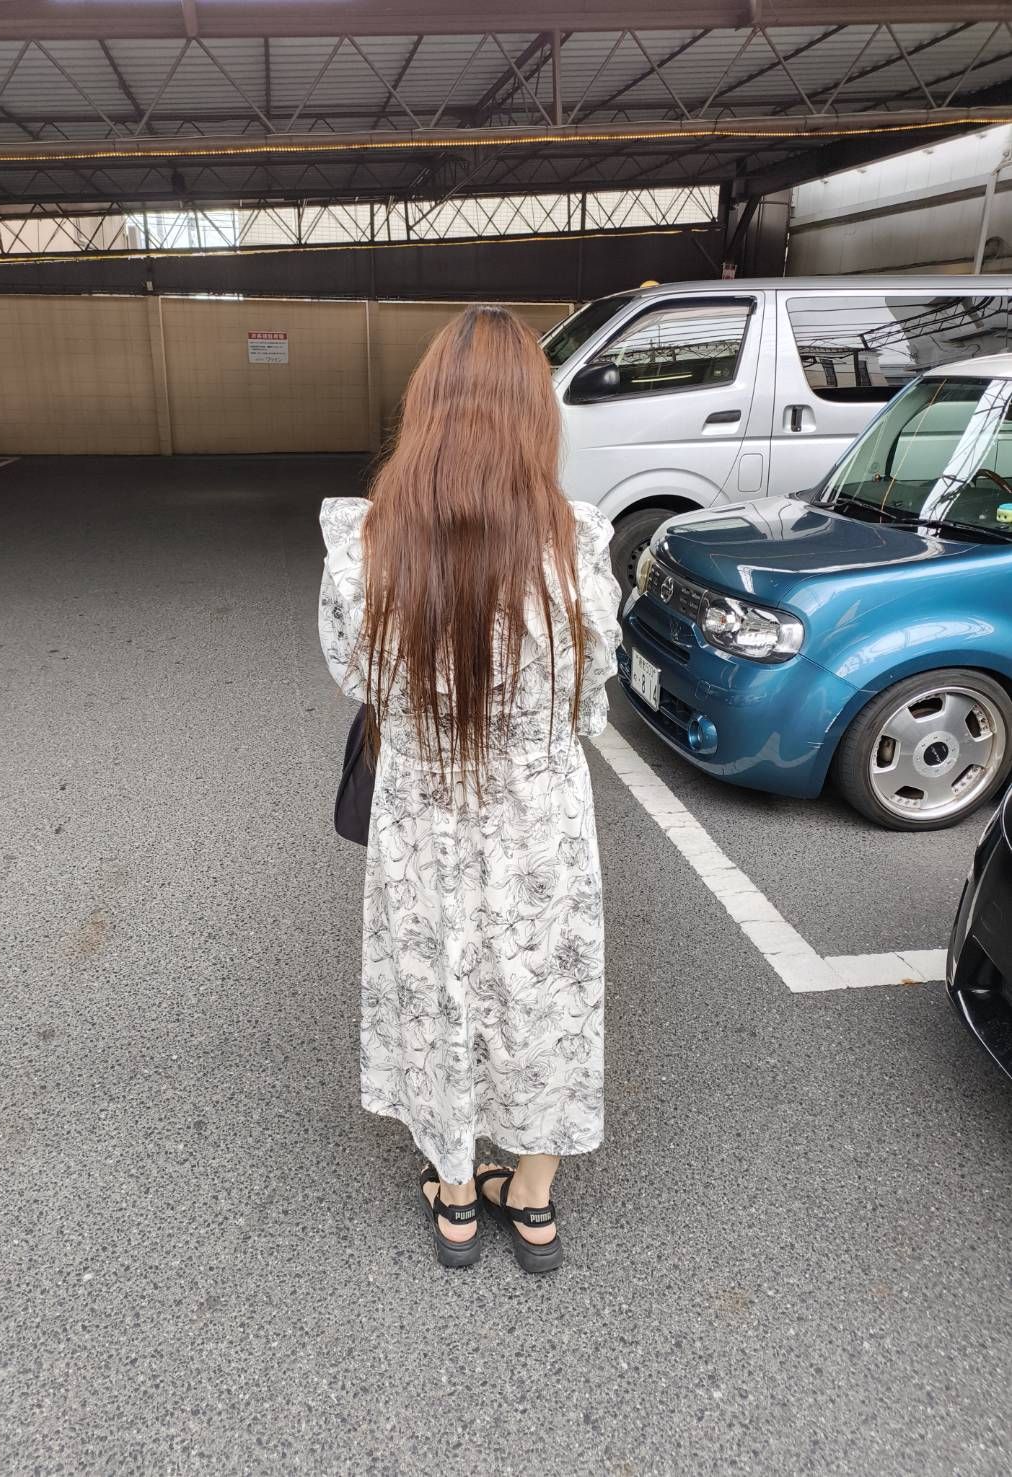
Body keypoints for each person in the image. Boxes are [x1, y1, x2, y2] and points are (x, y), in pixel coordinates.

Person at [318, 305, 620, 1273]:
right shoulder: (576, 546)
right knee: (543, 991)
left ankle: (454, 1194)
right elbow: (589, 706)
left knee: (436, 985)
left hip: (422, 816)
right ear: (536, 416)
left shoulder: (367, 545)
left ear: (426, 411)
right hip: (541, 816)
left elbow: (354, 675)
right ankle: (531, 1200)